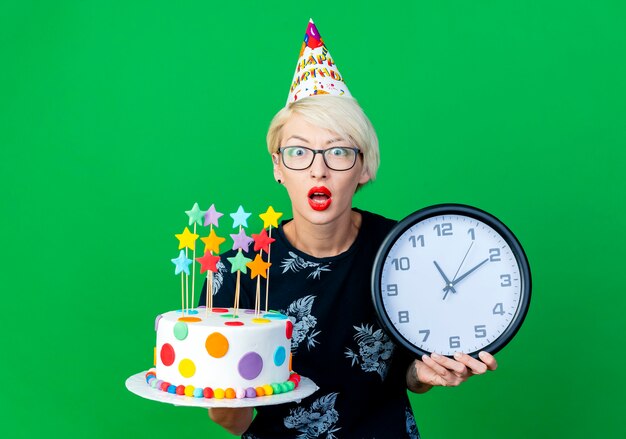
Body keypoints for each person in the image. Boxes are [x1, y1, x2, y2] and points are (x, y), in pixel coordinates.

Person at [198, 20, 497, 439]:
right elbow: (236, 422)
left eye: (338, 151)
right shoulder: (237, 271)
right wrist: (224, 405)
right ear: (278, 167)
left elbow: (411, 376)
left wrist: (430, 372)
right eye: (298, 151)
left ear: (363, 167)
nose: (318, 168)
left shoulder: (403, 250)